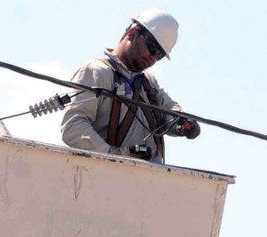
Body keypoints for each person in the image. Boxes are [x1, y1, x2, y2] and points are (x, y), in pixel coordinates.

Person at [60, 9, 200, 164]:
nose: (153, 58)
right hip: (105, 177)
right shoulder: (96, 72)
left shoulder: (149, 83)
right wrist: (114, 155)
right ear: (133, 34)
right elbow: (73, 128)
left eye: (159, 55)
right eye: (153, 48)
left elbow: (168, 110)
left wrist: (181, 123)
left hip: (150, 180)